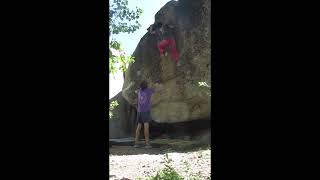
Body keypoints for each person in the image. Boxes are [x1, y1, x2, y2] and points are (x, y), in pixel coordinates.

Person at [133, 80, 163, 148]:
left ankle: (136, 143)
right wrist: (157, 85)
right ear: (146, 85)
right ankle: (147, 144)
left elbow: (135, 91)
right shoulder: (149, 90)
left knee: (138, 128)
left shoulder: (139, 91)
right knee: (146, 128)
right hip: (145, 111)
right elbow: (157, 90)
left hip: (139, 111)